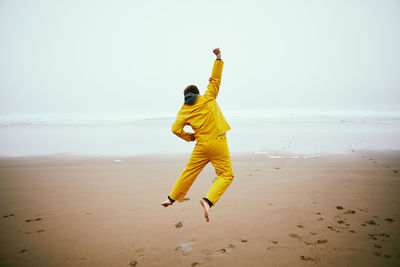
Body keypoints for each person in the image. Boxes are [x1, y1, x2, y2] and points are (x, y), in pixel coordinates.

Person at [161, 48, 234, 222]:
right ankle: (208, 200)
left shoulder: (183, 111)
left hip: (201, 145)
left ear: (185, 97)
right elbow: (215, 79)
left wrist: (189, 137)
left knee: (189, 171)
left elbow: (175, 129)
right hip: (218, 142)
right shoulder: (208, 97)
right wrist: (218, 58)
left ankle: (170, 198)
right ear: (198, 92)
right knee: (226, 174)